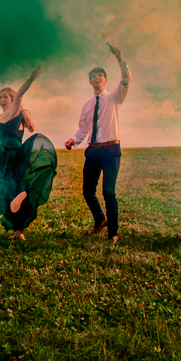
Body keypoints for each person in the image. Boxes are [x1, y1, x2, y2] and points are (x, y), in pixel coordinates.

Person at [65, 43, 131, 244]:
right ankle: (100, 219)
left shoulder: (115, 97)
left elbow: (126, 79)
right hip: (92, 151)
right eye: (93, 76)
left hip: (111, 149)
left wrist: (119, 56)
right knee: (87, 191)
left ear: (105, 79)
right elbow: (83, 129)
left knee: (108, 191)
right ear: (89, 81)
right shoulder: (87, 105)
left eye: (100, 76)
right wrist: (73, 140)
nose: (97, 78)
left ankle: (113, 233)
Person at [0, 67, 56, 241]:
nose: (1, 99)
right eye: (0, 97)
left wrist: (31, 78)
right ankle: (18, 230)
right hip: (2, 156)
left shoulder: (13, 111)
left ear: (12, 100)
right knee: (7, 190)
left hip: (9, 157)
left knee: (5, 190)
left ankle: (24, 195)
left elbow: (19, 95)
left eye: (5, 97)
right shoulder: (7, 111)